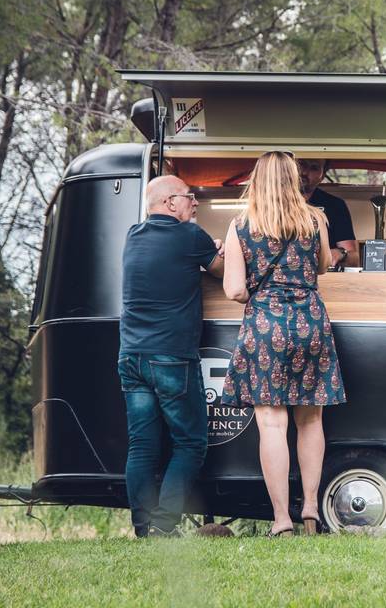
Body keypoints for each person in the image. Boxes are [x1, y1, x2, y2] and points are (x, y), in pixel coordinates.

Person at [221, 151, 346, 537]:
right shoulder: (316, 220)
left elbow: (234, 289)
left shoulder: (241, 225)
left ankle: (281, 520)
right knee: (310, 419)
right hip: (310, 321)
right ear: (293, 179)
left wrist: (259, 293)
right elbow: (324, 265)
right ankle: (310, 507)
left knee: (272, 424)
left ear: (257, 180)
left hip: (264, 325)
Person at [118, 175, 224, 537]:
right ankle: (165, 526)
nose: (194, 203)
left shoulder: (133, 236)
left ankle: (143, 528)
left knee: (143, 446)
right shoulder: (189, 237)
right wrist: (218, 249)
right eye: (189, 197)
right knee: (191, 443)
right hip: (171, 358)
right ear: (170, 203)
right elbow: (225, 274)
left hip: (131, 356)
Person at [298, 158, 360, 268]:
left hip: (322, 274)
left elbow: (354, 258)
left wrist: (341, 253)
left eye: (314, 168)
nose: (304, 172)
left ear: (322, 176)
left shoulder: (335, 205)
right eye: (301, 164)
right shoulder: (271, 203)